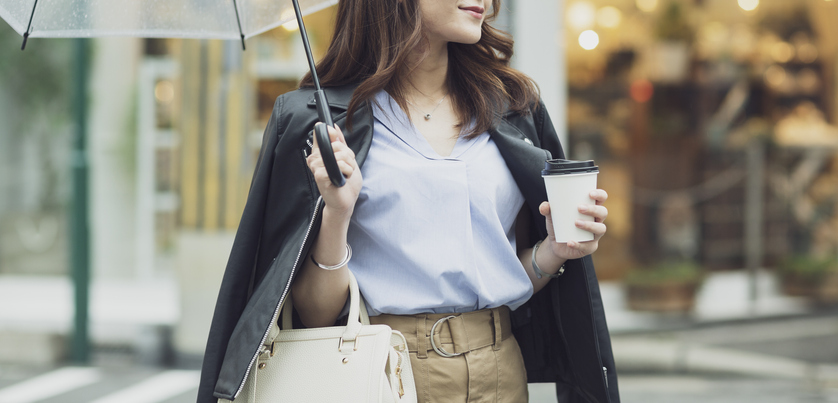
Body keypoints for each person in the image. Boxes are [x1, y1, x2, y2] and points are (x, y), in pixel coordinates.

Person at [197, 1, 619, 402]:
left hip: (499, 369)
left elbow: (505, 276)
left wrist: (553, 252)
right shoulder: (320, 121)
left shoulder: (513, 108)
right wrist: (337, 212)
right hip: (382, 371)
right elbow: (315, 312)